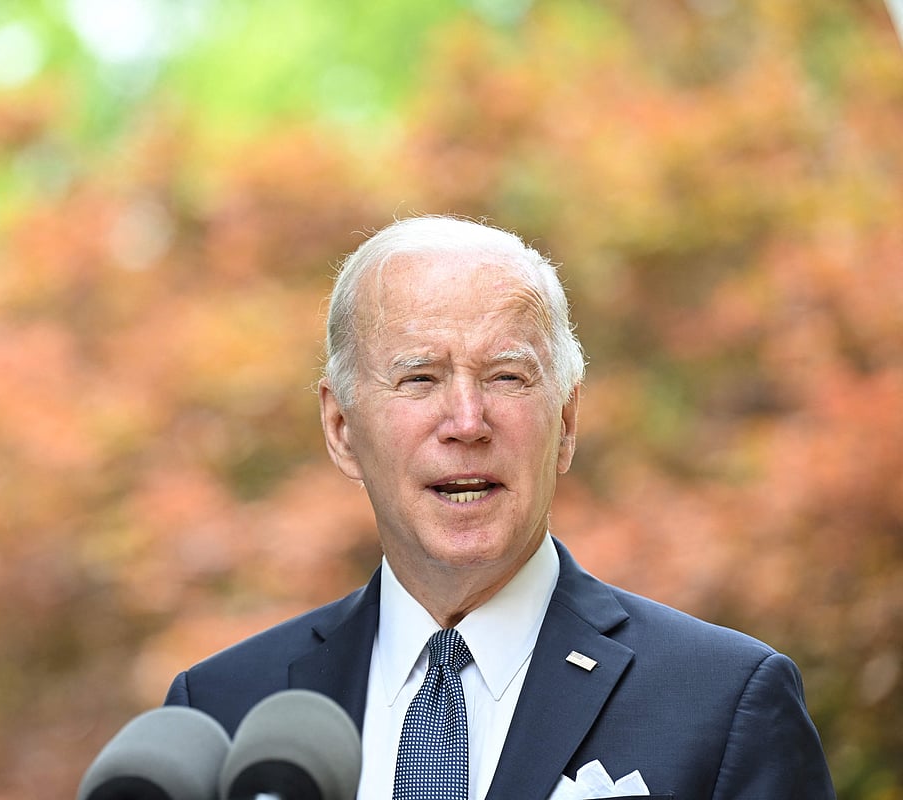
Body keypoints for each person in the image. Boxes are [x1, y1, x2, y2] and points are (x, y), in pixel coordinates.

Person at [164, 215, 835, 799]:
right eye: (419, 378)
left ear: (566, 423)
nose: (466, 421)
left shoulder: (723, 704)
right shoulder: (223, 715)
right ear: (341, 429)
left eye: (507, 377)